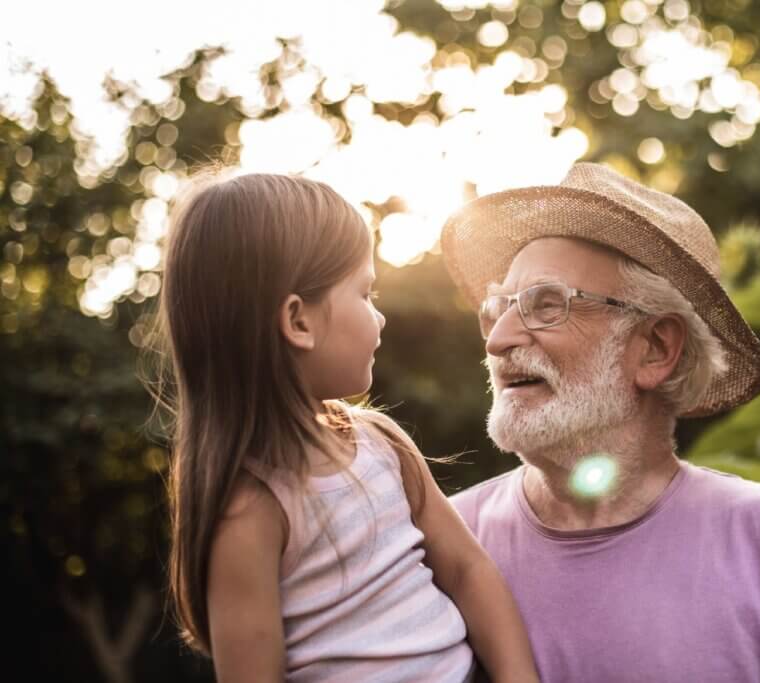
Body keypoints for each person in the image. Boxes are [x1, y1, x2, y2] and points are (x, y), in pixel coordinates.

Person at [440, 162, 760, 682]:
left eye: (545, 304)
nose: (497, 339)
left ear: (656, 349)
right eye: (497, 307)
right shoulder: (442, 544)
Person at [156, 172, 539, 683]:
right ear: (298, 322)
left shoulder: (381, 446)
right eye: (365, 293)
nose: (378, 318)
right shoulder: (250, 513)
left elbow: (468, 571)